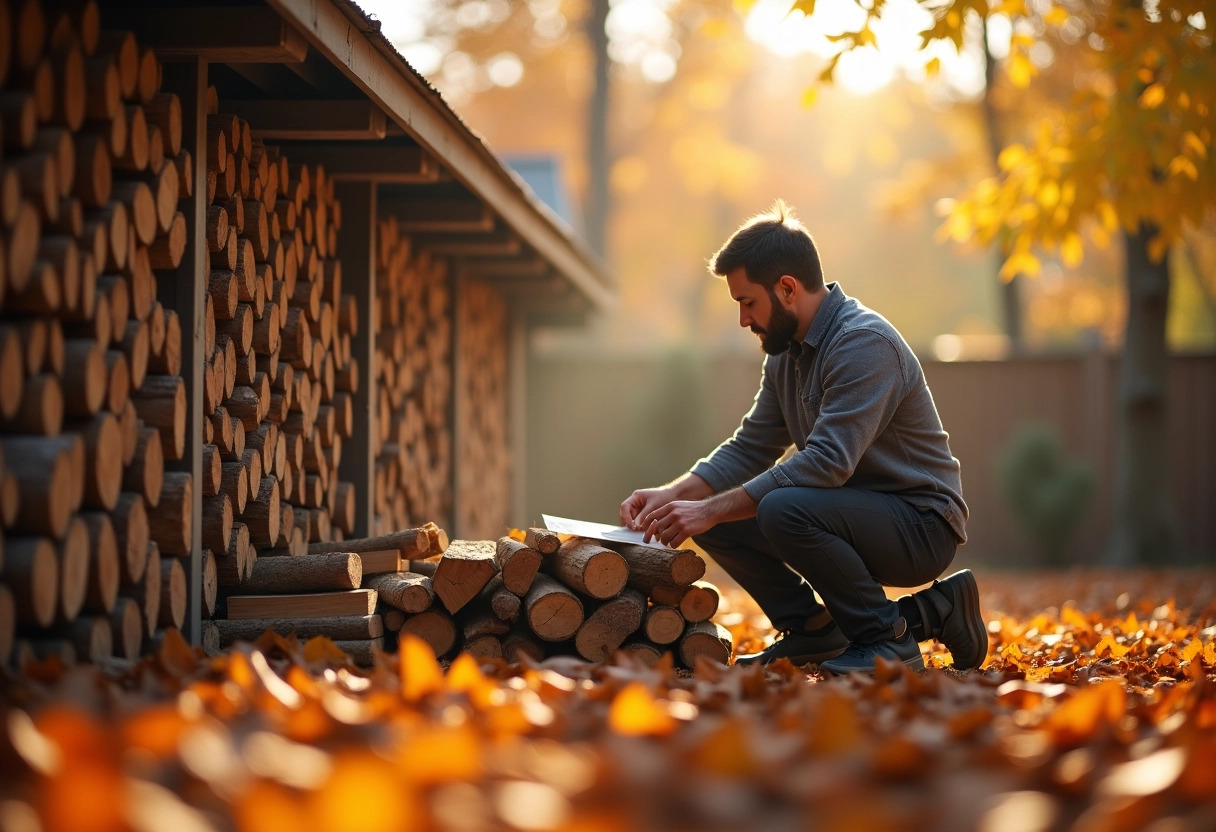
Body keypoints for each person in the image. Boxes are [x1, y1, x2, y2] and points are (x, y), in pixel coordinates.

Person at [619, 201, 986, 674]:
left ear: (787, 288)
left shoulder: (863, 343)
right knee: (720, 515)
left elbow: (827, 463)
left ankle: (888, 640)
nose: (743, 320)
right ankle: (815, 630)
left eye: (747, 302)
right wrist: (674, 497)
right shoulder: (786, 354)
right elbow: (751, 446)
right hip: (850, 512)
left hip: (919, 524)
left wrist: (709, 508)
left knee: (772, 506)